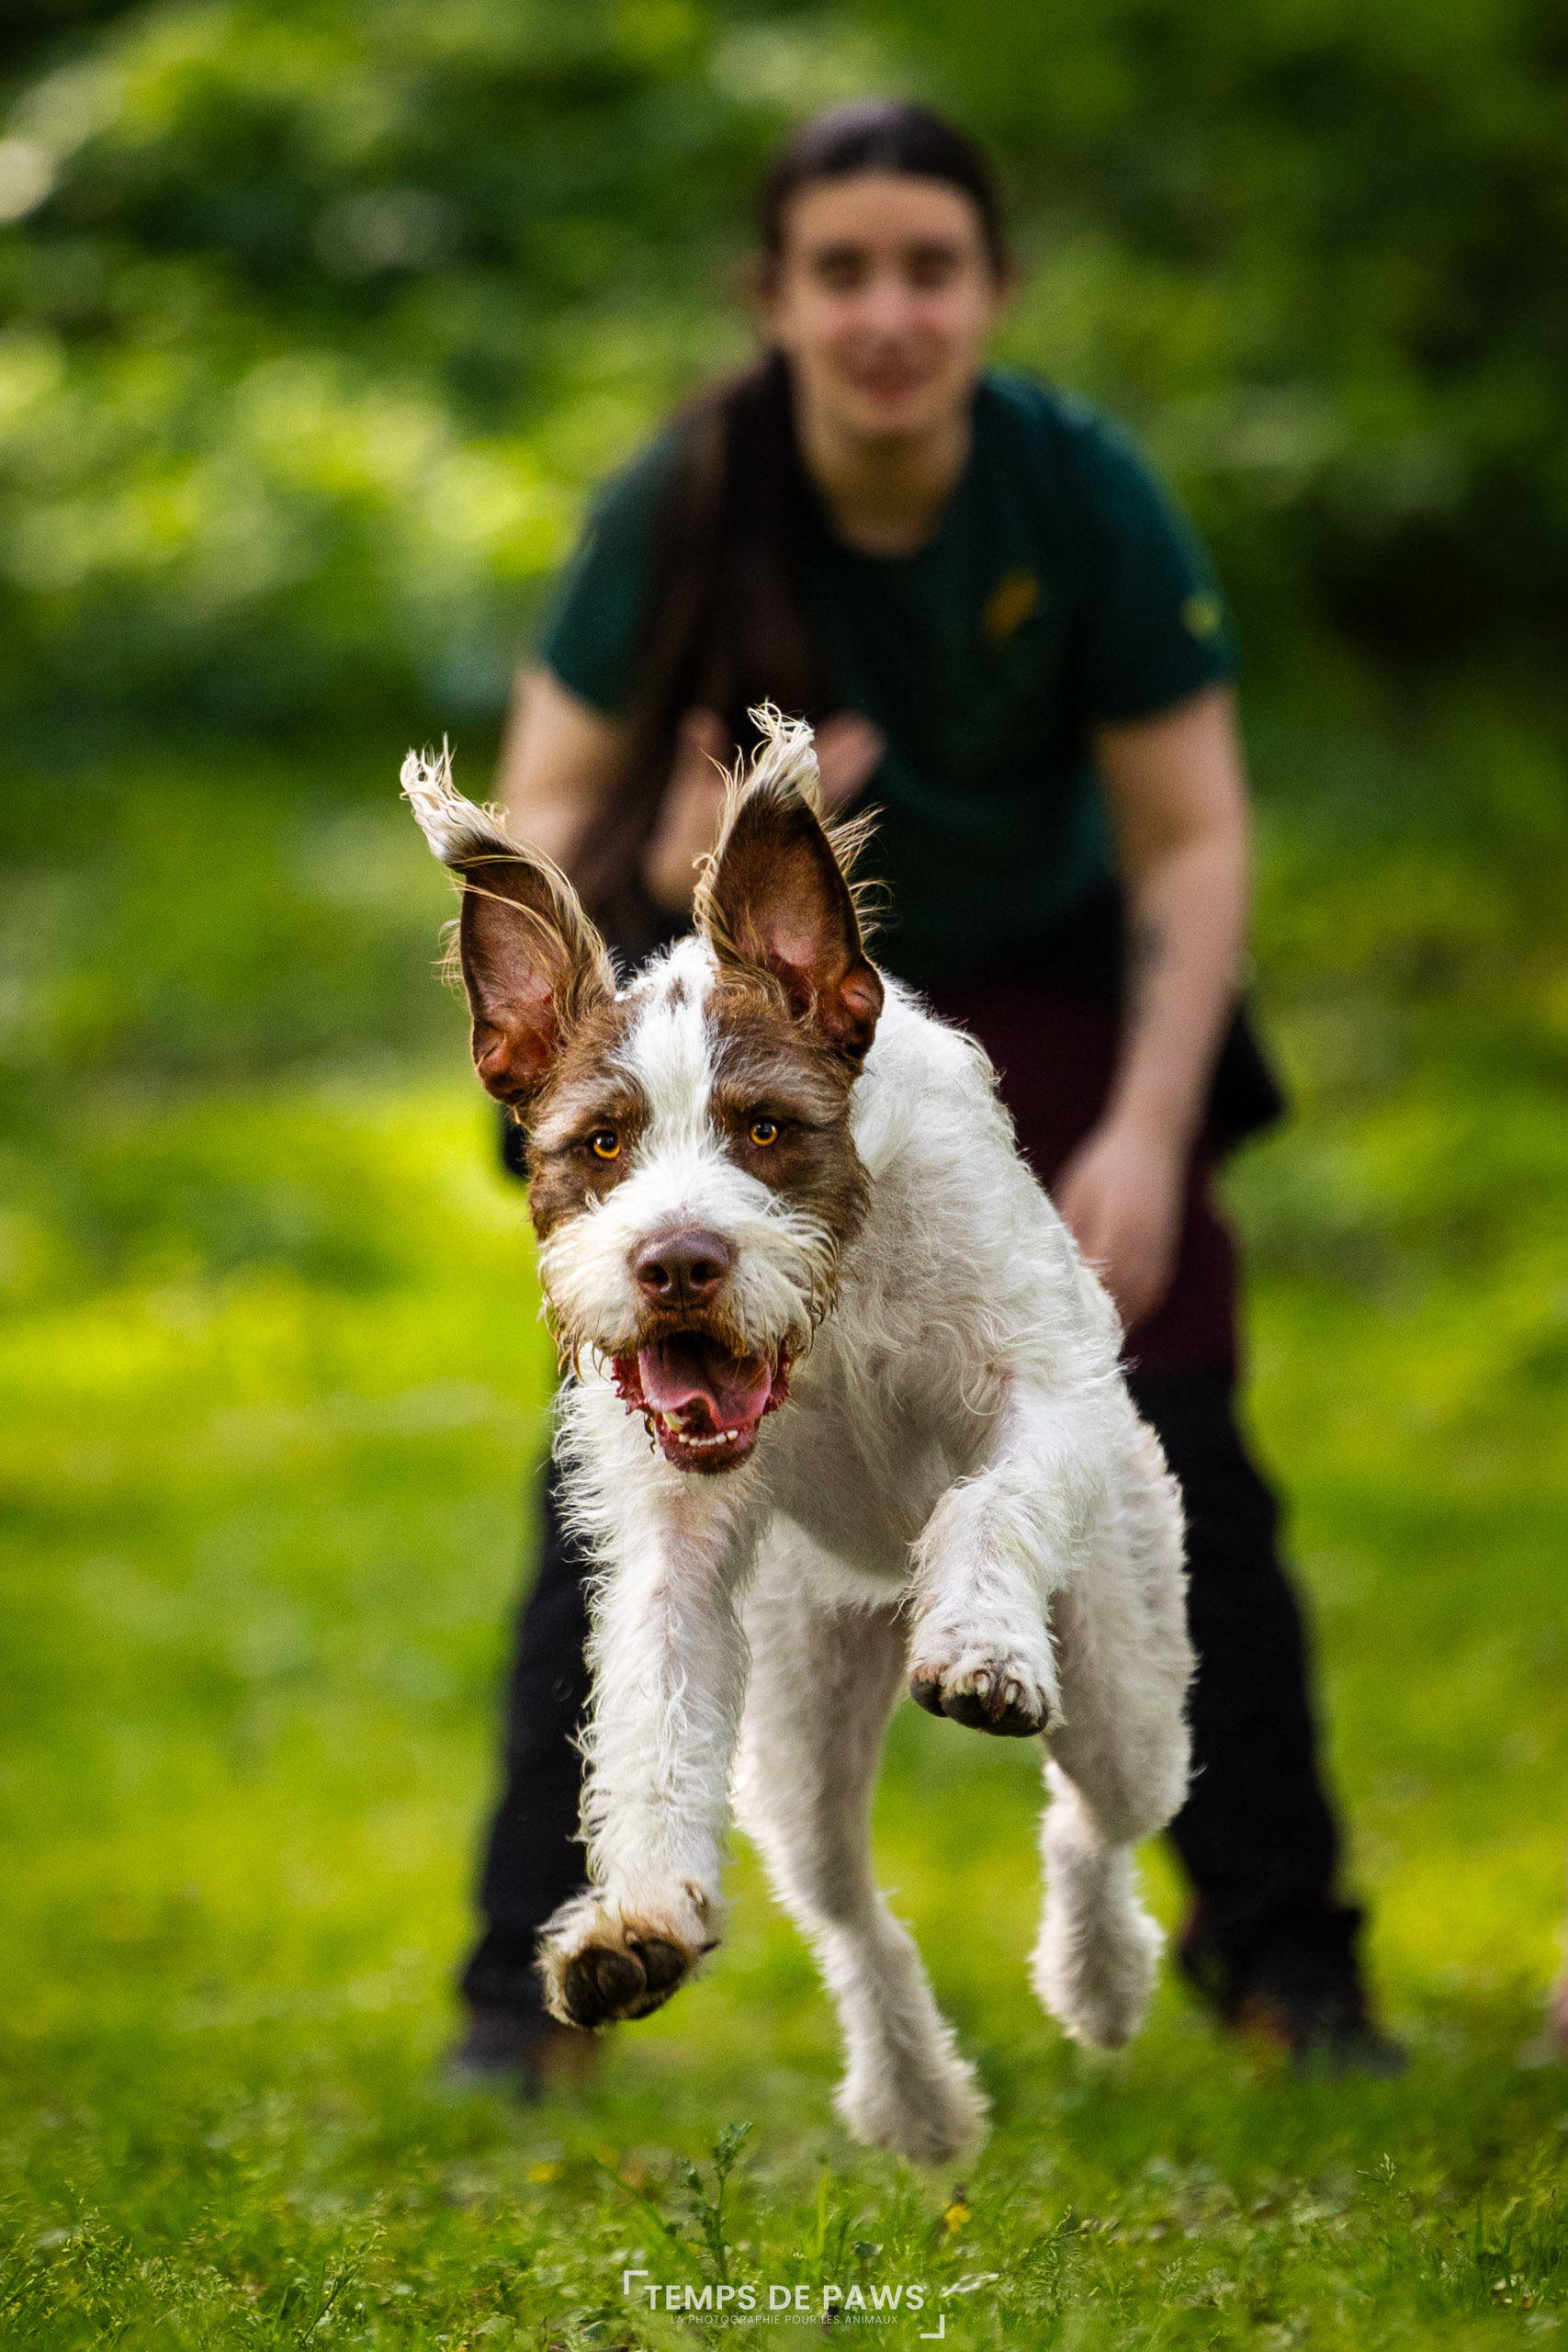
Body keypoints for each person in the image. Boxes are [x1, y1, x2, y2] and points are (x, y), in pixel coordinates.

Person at [448, 98, 1404, 2092]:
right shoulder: (677, 501)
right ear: (774, 300)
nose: (886, 312)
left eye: (926, 269)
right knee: (633, 1474)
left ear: (986, 292)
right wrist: (696, 871)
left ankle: (1282, 1955)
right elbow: (537, 814)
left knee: (1181, 1422)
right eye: (842, 271)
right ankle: (517, 1994)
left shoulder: (1079, 493)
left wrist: (1145, 1128)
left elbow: (1188, 839)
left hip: (1046, 995)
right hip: (735, 1032)